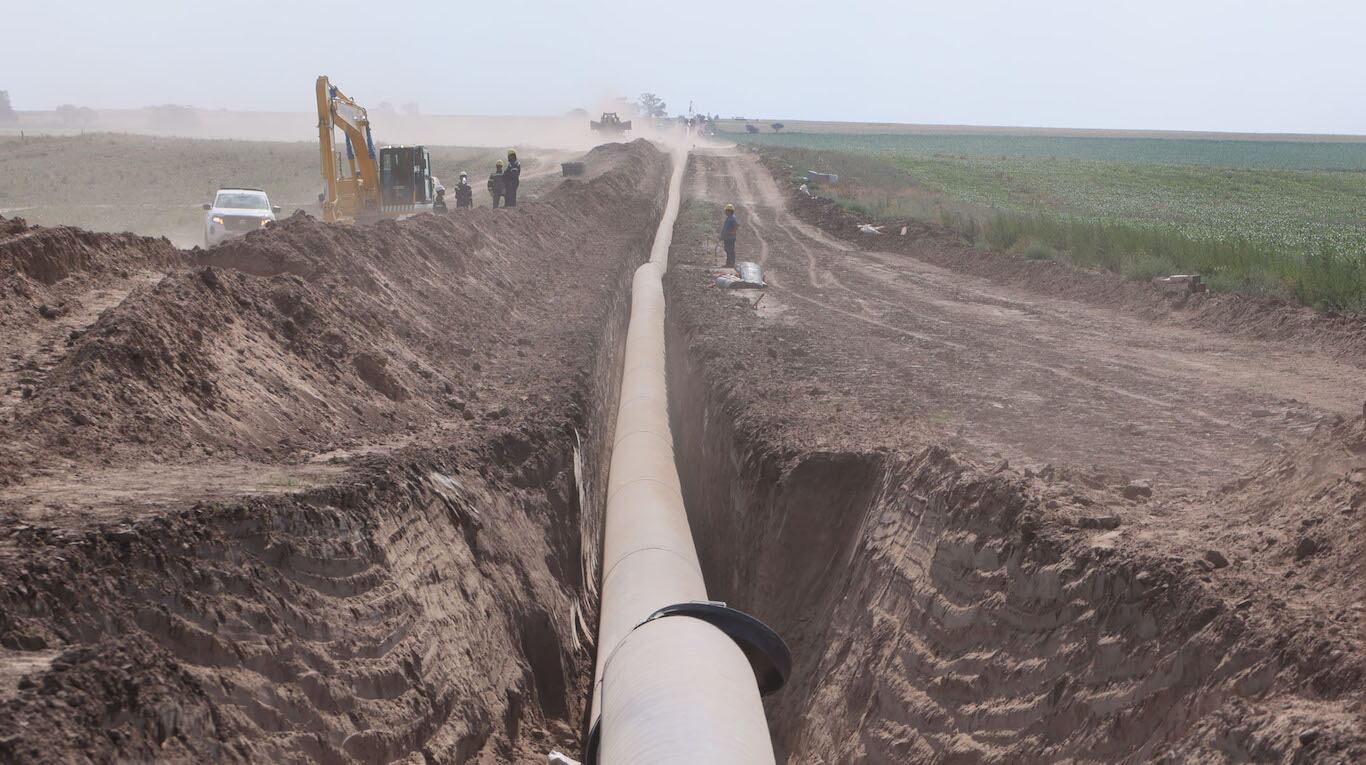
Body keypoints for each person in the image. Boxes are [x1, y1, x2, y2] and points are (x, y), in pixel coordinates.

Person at [720, 203, 739, 268]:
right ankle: (728, 263)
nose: (725, 212)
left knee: (730, 250)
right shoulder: (729, 217)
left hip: (730, 238)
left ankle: (731, 263)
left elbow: (736, 225)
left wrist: (732, 232)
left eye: (726, 210)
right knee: (727, 250)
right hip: (727, 237)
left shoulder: (732, 218)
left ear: (729, 211)